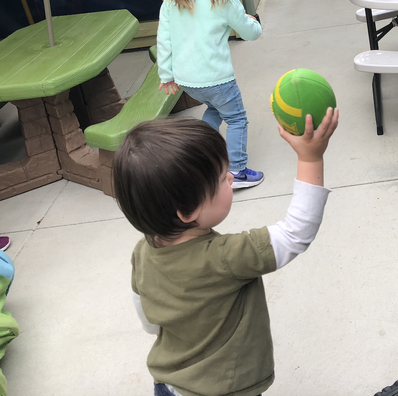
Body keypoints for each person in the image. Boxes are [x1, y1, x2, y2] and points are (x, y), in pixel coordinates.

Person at [114, 110, 339, 396]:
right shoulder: (225, 257)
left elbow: (146, 316)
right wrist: (311, 159)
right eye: (223, 177)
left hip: (169, 385)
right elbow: (295, 234)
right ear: (187, 212)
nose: (232, 178)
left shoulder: (142, 252)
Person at [157, 0, 264, 189]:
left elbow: (164, 41)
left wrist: (166, 75)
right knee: (237, 118)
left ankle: (202, 159)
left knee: (215, 110)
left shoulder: (171, 2)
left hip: (188, 82)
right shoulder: (224, 1)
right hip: (218, 80)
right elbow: (250, 33)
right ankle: (237, 171)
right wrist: (254, 21)